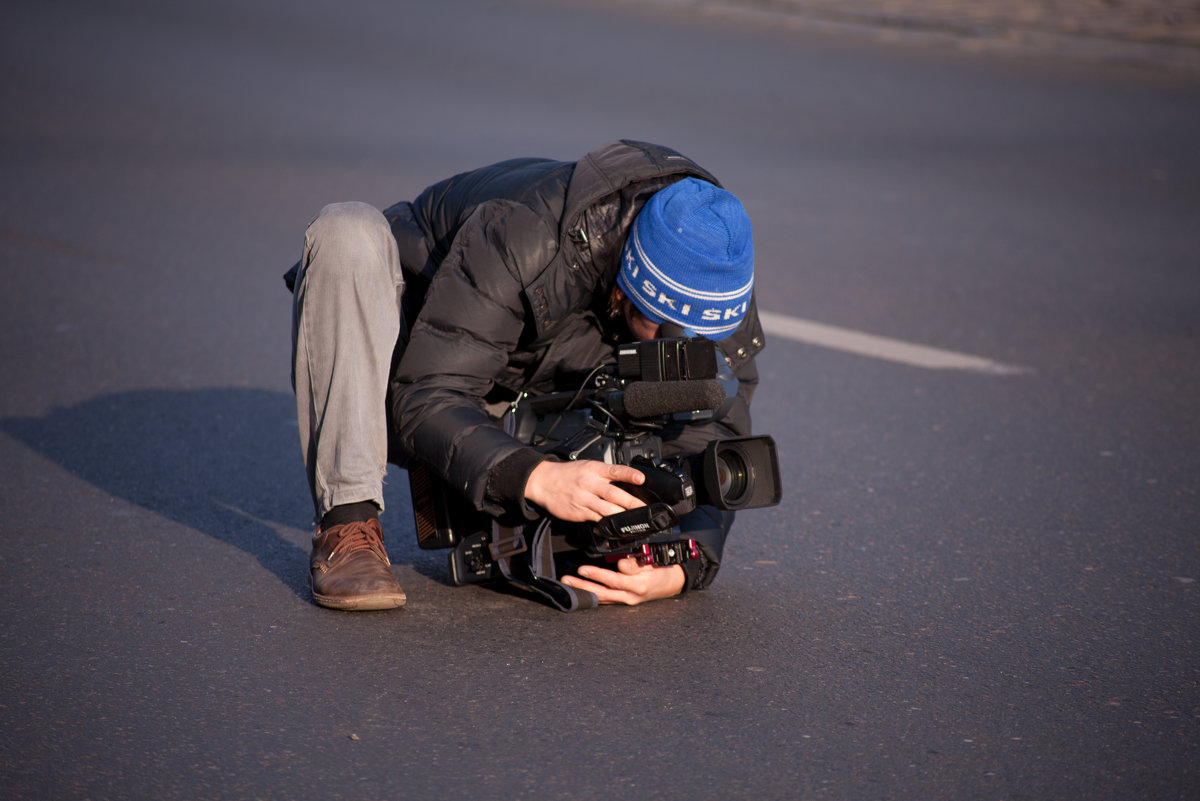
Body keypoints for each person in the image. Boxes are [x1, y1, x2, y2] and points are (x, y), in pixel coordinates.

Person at [287, 140, 763, 611]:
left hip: (525, 392)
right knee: (346, 232)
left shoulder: (716, 275)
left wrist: (684, 562)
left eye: (704, 335)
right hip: (406, 366)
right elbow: (427, 394)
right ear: (627, 285)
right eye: (668, 329)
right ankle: (347, 526)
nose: (686, 345)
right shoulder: (528, 233)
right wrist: (538, 477)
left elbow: (713, 432)